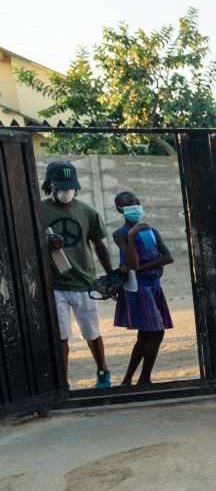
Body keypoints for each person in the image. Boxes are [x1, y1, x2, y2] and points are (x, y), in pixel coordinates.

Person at [41, 160, 115, 388]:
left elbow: (99, 246)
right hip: (54, 284)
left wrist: (111, 277)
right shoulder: (37, 210)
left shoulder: (87, 212)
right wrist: (48, 246)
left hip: (84, 282)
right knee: (61, 336)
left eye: (69, 186)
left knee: (91, 331)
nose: (65, 191)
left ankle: (102, 371)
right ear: (50, 185)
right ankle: (62, 382)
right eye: (60, 186)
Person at [111, 191, 174, 387]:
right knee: (156, 332)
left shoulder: (152, 231)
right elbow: (131, 261)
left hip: (154, 287)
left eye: (137, 202)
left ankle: (129, 379)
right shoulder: (120, 234)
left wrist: (143, 267)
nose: (135, 206)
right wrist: (132, 236)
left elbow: (168, 257)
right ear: (120, 209)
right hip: (138, 288)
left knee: (146, 335)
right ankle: (143, 379)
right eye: (129, 203)